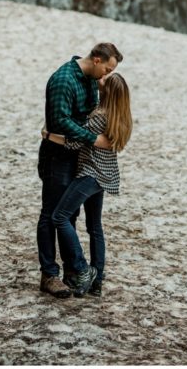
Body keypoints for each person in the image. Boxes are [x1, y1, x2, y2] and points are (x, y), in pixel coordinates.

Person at [37, 42, 122, 298]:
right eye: (107, 69)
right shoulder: (64, 79)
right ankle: (49, 275)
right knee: (51, 214)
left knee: (68, 216)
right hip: (57, 155)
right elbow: (60, 120)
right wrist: (93, 139)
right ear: (96, 59)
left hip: (78, 156)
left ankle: (72, 272)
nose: (107, 76)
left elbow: (88, 116)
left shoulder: (90, 79)